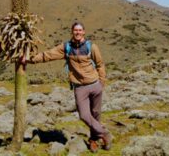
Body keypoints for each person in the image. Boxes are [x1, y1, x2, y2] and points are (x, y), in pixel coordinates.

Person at [23, 22, 111, 152]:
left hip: (95, 84)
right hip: (80, 87)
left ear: (84, 32)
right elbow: (48, 55)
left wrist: (102, 82)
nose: (78, 32)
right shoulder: (66, 47)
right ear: (72, 32)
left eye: (80, 30)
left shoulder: (92, 47)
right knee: (84, 115)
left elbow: (100, 64)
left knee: (96, 114)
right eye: (75, 30)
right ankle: (105, 133)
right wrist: (30, 59)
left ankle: (93, 140)